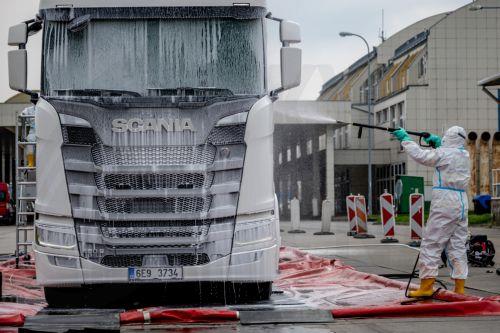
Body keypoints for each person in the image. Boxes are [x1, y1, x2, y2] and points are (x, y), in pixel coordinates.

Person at [393, 126, 470, 296]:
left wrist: (405, 139)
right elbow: (446, 154)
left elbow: (421, 156)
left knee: (431, 243)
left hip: (445, 202)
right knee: (457, 245)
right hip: (462, 202)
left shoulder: (444, 153)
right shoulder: (463, 154)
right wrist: (436, 143)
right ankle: (460, 288)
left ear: (447, 139)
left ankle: (426, 287)